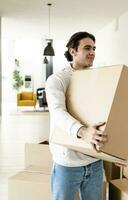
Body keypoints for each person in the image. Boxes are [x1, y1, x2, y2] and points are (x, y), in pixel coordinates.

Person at [45, 32, 108, 200]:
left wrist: (117, 151)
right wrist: (83, 131)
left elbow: (106, 113)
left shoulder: (98, 78)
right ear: (72, 51)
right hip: (68, 163)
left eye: (94, 48)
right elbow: (58, 113)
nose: (92, 52)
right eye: (87, 48)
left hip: (94, 161)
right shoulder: (57, 79)